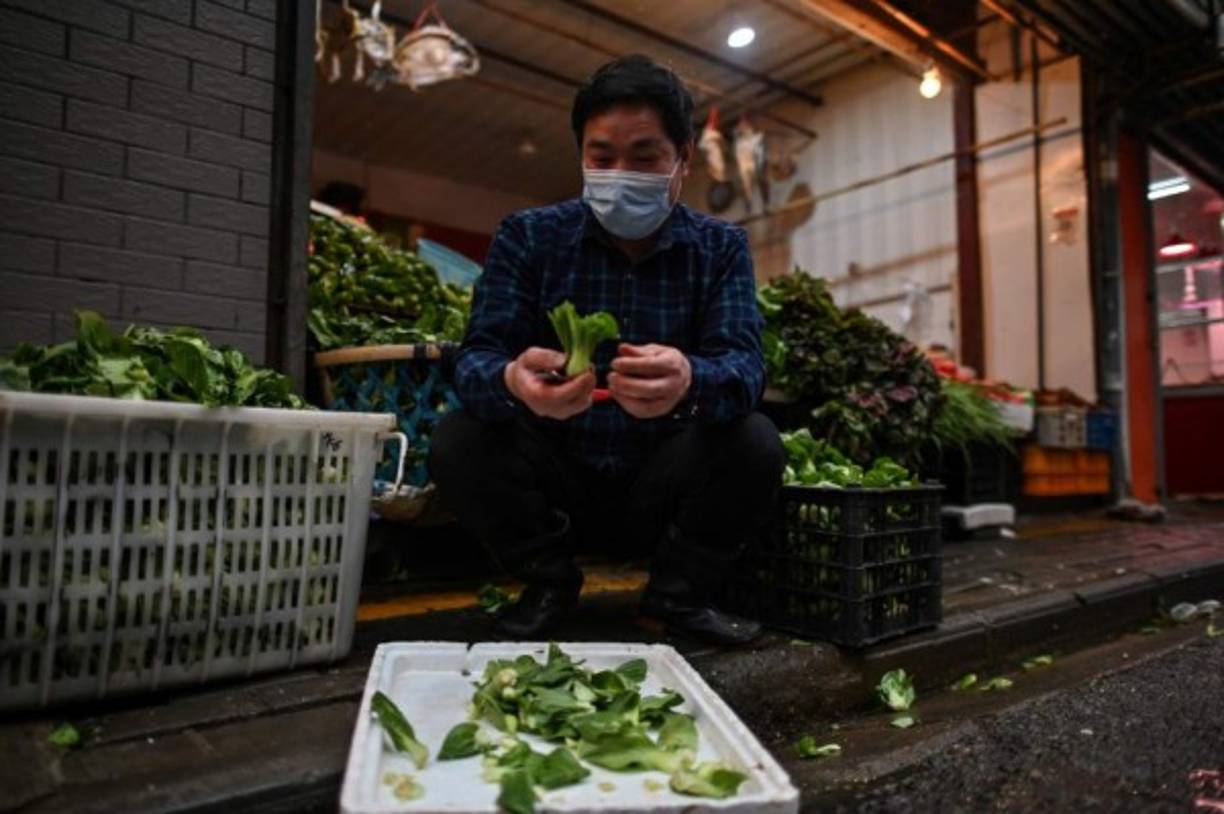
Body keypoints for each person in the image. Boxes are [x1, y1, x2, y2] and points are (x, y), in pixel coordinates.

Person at [428, 55, 783, 645]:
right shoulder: (530, 235)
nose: (621, 173)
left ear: (682, 161)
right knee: (459, 437)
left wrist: (690, 380)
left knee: (755, 441)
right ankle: (548, 581)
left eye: (645, 157)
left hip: (662, 483)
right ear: (581, 157)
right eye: (602, 157)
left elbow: (746, 368)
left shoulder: (720, 248)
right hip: (557, 479)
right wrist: (516, 381)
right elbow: (476, 359)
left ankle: (676, 596)